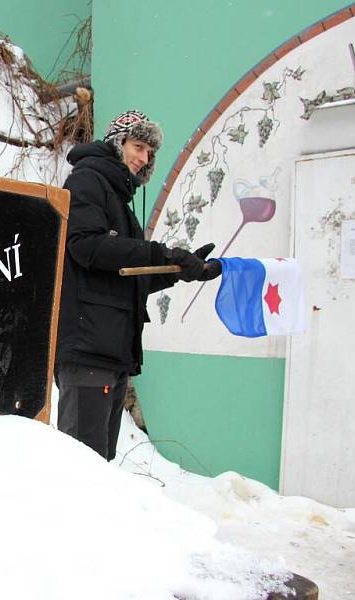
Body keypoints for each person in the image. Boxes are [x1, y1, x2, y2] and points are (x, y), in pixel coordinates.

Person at [55, 109, 221, 461]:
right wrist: (161, 254)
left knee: (100, 465)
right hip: (88, 349)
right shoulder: (87, 182)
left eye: (150, 152)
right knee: (81, 470)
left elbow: (127, 276)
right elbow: (86, 246)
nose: (144, 158)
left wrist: (179, 268)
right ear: (118, 143)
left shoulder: (118, 199)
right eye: (139, 146)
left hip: (111, 352)